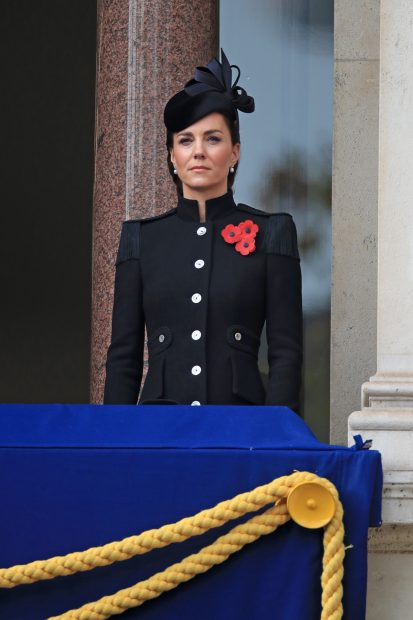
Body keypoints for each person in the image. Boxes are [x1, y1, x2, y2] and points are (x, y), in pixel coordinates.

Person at [103, 50, 303, 413]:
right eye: (185, 140)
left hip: (243, 427)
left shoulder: (273, 232)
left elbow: (286, 355)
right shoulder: (141, 240)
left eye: (213, 139)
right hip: (158, 432)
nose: (198, 152)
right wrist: (112, 446)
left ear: (235, 152)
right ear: (171, 157)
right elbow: (123, 360)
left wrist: (278, 438)